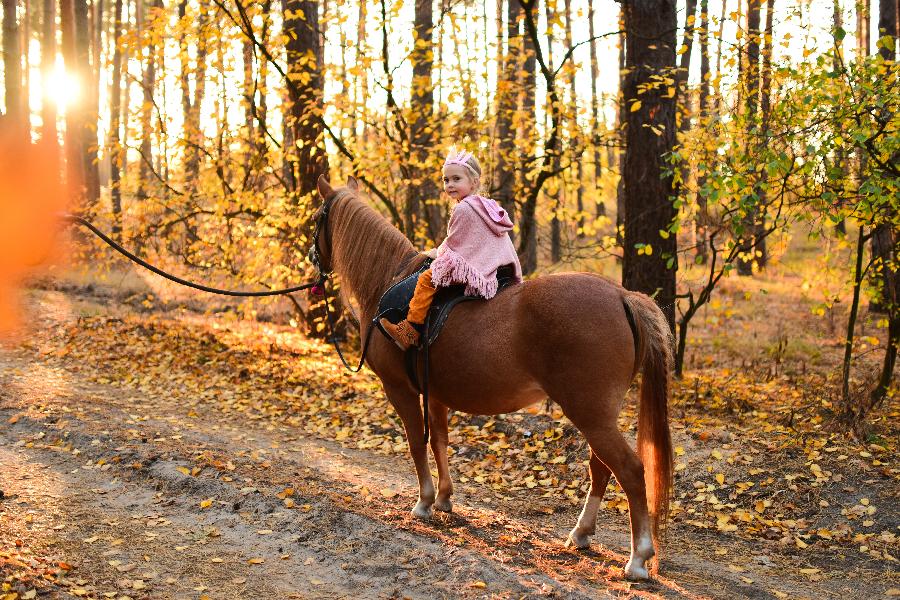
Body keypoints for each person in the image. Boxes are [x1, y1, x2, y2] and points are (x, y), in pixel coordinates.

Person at [380, 150, 523, 350]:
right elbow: (466, 241)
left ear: (474, 181)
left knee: (426, 280)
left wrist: (437, 254)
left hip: (478, 269)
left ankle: (409, 330)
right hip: (498, 266)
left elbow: (454, 245)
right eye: (446, 180)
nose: (450, 185)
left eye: (456, 179)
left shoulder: (463, 208)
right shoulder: (486, 205)